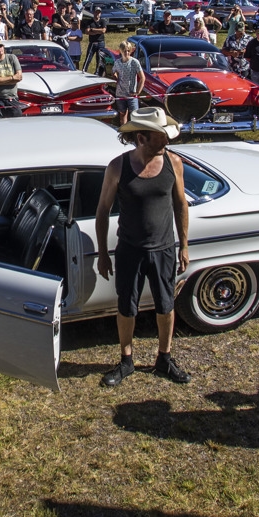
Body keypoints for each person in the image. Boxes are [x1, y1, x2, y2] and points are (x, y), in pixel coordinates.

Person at [95, 107, 191, 387]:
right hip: (129, 249)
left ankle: (165, 358)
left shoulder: (174, 163)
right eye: (161, 136)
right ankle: (126, 360)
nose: (167, 141)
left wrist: (183, 245)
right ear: (141, 138)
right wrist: (102, 254)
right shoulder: (118, 167)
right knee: (127, 306)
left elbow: (180, 204)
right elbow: (103, 210)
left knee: (166, 305)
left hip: (163, 249)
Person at [110, 40, 145, 126]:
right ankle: (124, 133)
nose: (127, 53)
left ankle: (135, 133)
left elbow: (143, 78)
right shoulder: (117, 62)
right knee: (122, 114)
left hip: (131, 94)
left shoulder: (134, 62)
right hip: (120, 93)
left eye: (128, 51)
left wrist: (138, 92)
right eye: (124, 51)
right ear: (121, 51)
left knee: (134, 115)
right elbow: (113, 71)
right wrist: (115, 76)